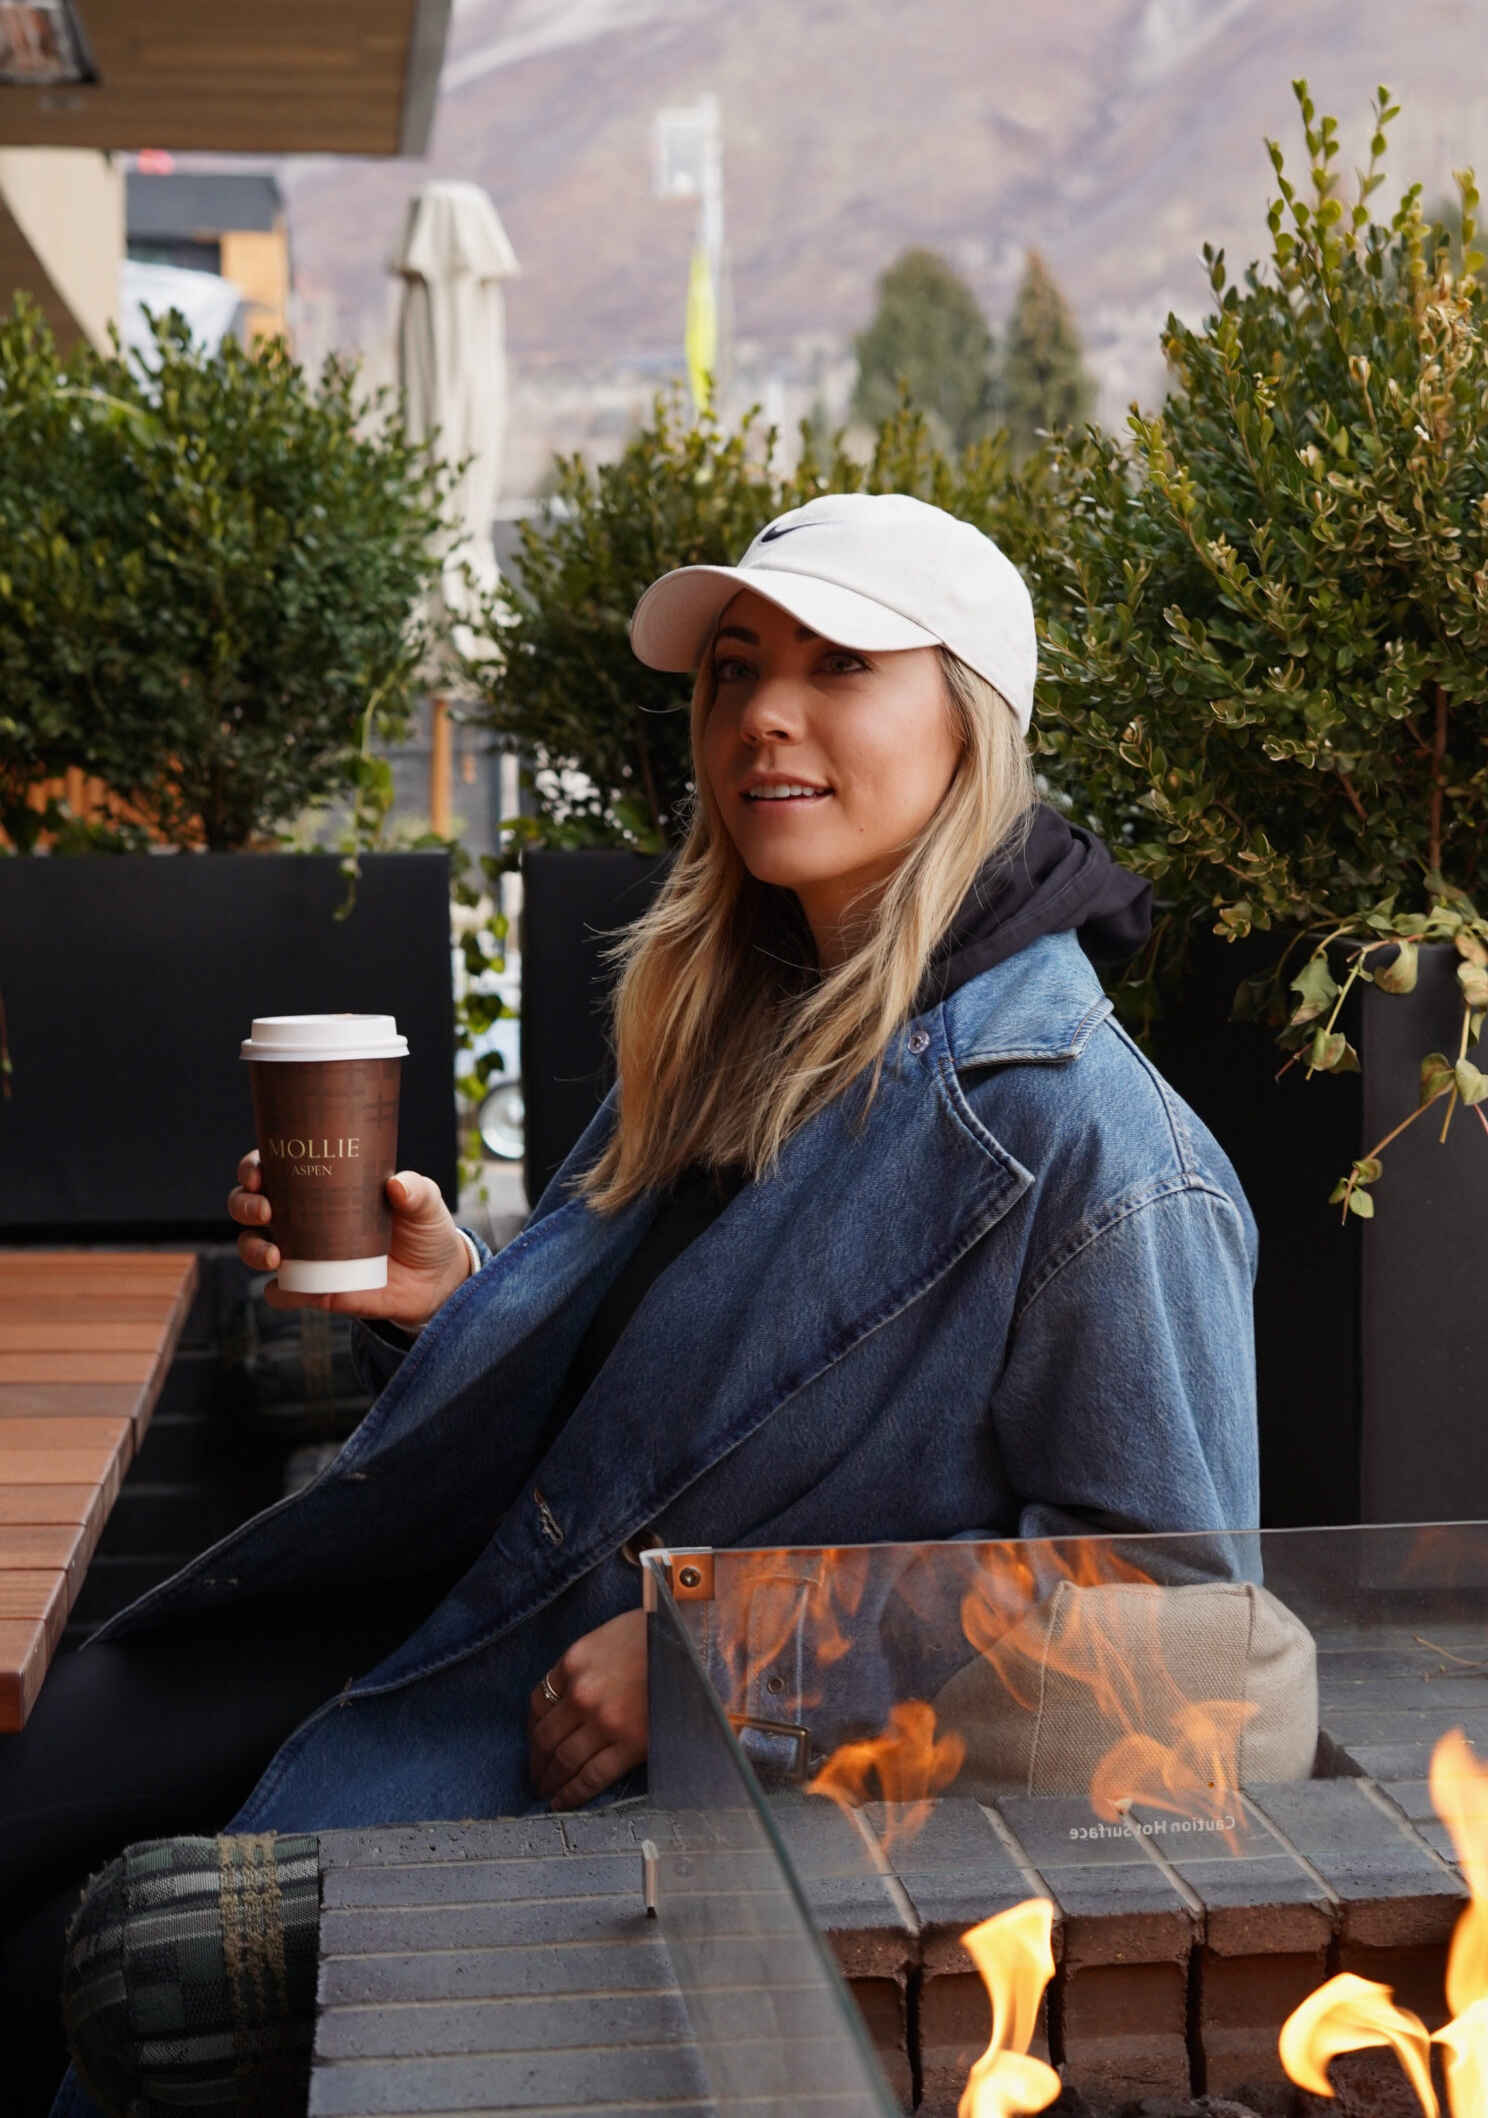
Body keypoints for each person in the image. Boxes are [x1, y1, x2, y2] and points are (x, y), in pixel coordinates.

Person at [0, 492, 1259, 2109]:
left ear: (972, 724)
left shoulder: (1088, 1147)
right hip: (434, 1609)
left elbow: (1176, 1630)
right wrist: (458, 1312)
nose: (766, 718)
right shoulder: (737, 1015)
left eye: (840, 665)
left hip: (655, 1798)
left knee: (114, 1978)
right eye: (735, 670)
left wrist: (728, 1661)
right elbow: (646, 1429)